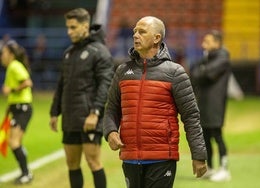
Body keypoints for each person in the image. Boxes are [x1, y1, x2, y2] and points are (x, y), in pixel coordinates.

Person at [103, 16, 207, 188]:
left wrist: (199, 155)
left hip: (161, 158)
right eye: (135, 31)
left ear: (157, 38)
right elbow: (111, 109)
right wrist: (110, 131)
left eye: (142, 32)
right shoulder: (122, 70)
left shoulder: (175, 73)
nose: (136, 35)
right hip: (130, 157)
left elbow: (191, 117)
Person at [49, 8, 114, 188]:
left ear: (85, 26)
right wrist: (54, 112)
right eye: (68, 27)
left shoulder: (99, 51)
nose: (69, 31)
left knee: (93, 162)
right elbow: (62, 84)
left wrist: (95, 112)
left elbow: (105, 85)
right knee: (72, 163)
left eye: (73, 27)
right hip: (70, 117)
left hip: (89, 117)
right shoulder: (69, 52)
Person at [190, 30, 231, 181]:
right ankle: (211, 168)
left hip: (215, 104)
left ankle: (224, 169)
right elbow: (193, 72)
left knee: (217, 135)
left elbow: (205, 74)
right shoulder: (208, 57)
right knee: (205, 137)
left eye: (207, 41)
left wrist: (199, 72)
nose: (203, 44)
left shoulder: (223, 57)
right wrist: (199, 72)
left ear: (217, 43)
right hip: (204, 103)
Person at [1, 40, 33, 184]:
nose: (2, 56)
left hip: (22, 108)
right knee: (16, 142)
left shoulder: (14, 66)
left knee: (13, 142)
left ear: (11, 55)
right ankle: (26, 172)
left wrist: (11, 90)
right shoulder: (11, 67)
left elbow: (27, 82)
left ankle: (26, 173)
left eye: (4, 53)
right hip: (18, 108)